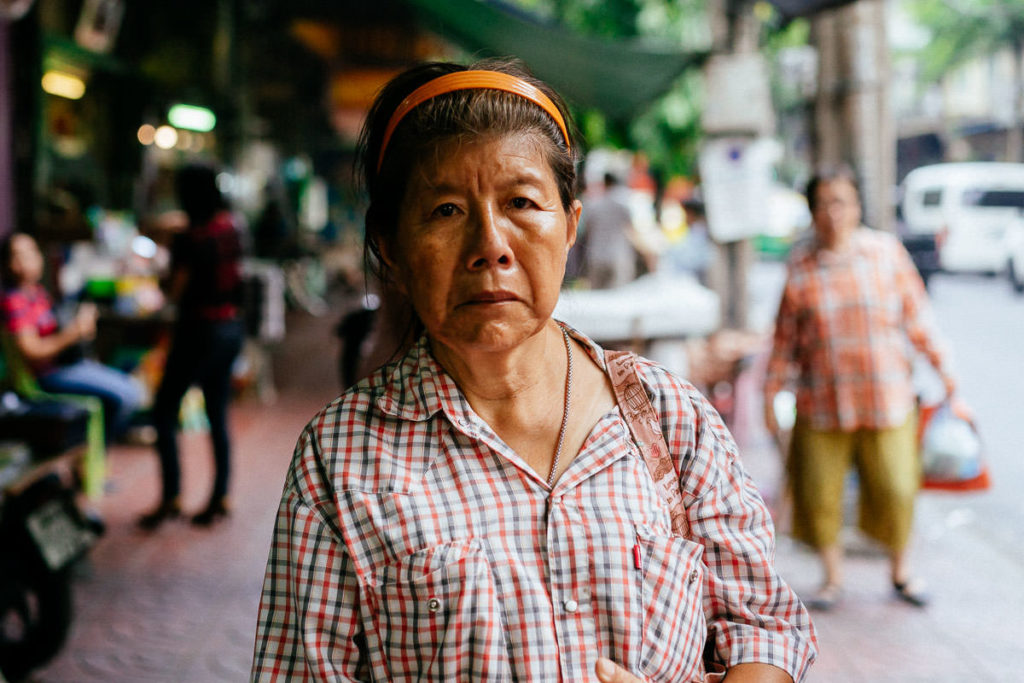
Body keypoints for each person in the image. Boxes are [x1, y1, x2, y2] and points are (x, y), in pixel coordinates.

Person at [252, 59, 816, 682]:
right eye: (445, 210)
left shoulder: (669, 418)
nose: (490, 243)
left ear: (569, 226)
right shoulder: (342, 458)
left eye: (521, 201)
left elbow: (764, 626)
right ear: (391, 244)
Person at [762, 164, 957, 611]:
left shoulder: (885, 252)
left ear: (857, 206)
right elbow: (784, 341)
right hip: (822, 401)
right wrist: (770, 396)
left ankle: (900, 571)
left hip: (887, 397)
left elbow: (918, 319)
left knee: (897, 487)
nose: (833, 213)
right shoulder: (801, 265)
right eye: (823, 204)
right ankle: (832, 578)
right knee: (818, 491)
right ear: (812, 212)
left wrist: (948, 376)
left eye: (841, 202)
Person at [138, 163, 245, 529]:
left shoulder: (191, 239)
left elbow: (174, 291)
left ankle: (171, 496)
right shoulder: (232, 227)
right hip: (230, 328)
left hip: (197, 331)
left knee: (164, 411)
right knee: (217, 414)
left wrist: (165, 271)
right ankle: (221, 496)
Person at [0, 231, 143, 440]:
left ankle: (91, 456)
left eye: (33, 252)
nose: (31, 259)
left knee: (132, 385)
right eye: (21, 255)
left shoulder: (37, 293)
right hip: (47, 376)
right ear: (9, 264)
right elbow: (32, 351)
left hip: (65, 365)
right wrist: (74, 332)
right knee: (128, 395)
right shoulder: (15, 301)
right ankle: (90, 456)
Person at [582, 171, 638, 289]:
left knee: (596, 296)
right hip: (618, 255)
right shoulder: (623, 205)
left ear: (605, 183)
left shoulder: (594, 205)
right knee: (618, 297)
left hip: (596, 255)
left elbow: (587, 230)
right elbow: (631, 229)